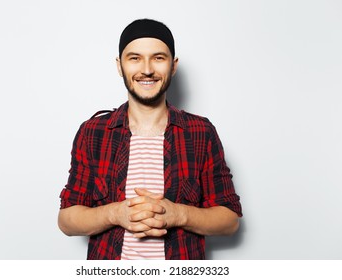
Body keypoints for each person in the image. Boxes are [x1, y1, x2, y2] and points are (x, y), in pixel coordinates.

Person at [58, 18, 242, 260]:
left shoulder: (201, 131)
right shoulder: (93, 132)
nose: (146, 69)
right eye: (134, 58)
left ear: (173, 66)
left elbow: (229, 221)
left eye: (158, 58)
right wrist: (115, 214)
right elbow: (67, 220)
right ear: (119, 65)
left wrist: (178, 214)